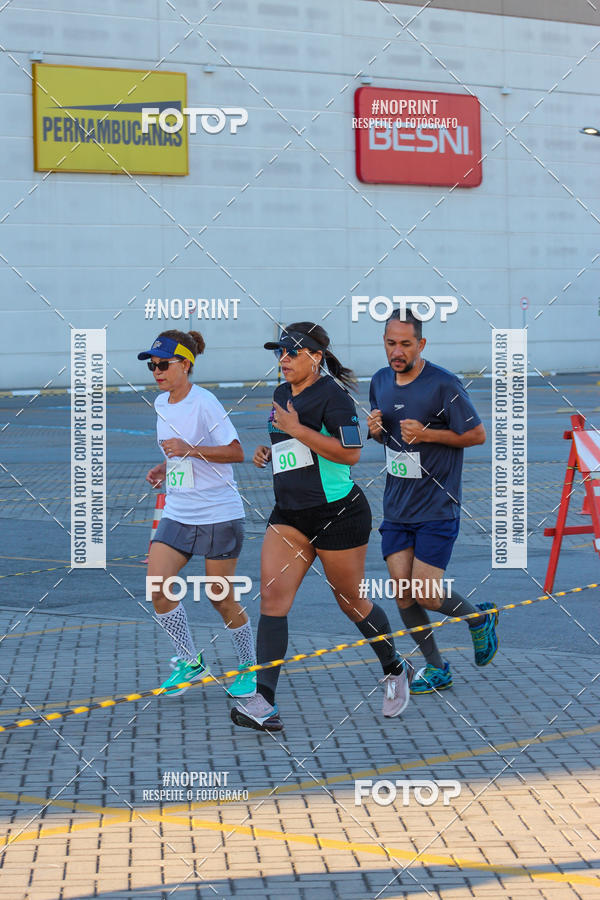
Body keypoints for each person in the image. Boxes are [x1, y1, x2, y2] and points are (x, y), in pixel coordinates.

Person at [230, 322, 413, 733]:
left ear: (315, 356)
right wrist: (270, 452)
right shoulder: (281, 394)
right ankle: (265, 701)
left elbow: (350, 454)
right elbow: (291, 448)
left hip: (338, 515)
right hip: (290, 515)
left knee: (351, 603)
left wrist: (298, 430)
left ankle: (395, 667)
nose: (283, 360)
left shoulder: (335, 397)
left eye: (292, 353)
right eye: (279, 352)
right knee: (272, 599)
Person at [368, 309, 498, 695]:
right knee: (402, 593)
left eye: (405, 344)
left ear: (421, 344)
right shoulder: (378, 381)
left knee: (425, 593)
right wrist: (375, 433)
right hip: (396, 507)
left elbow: (476, 435)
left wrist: (429, 435)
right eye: (391, 343)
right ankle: (436, 667)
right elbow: (387, 439)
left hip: (437, 507)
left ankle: (478, 618)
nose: (397, 351)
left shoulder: (444, 385)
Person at [138, 329, 256, 699]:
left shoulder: (205, 402)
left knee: (220, 597)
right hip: (178, 511)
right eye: (152, 365)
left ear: (185, 365)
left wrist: (189, 449)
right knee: (157, 586)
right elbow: (179, 452)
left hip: (218, 512)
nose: (156, 371)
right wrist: (165, 465)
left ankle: (249, 667)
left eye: (163, 364)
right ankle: (189, 659)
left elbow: (236, 452)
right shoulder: (161, 404)